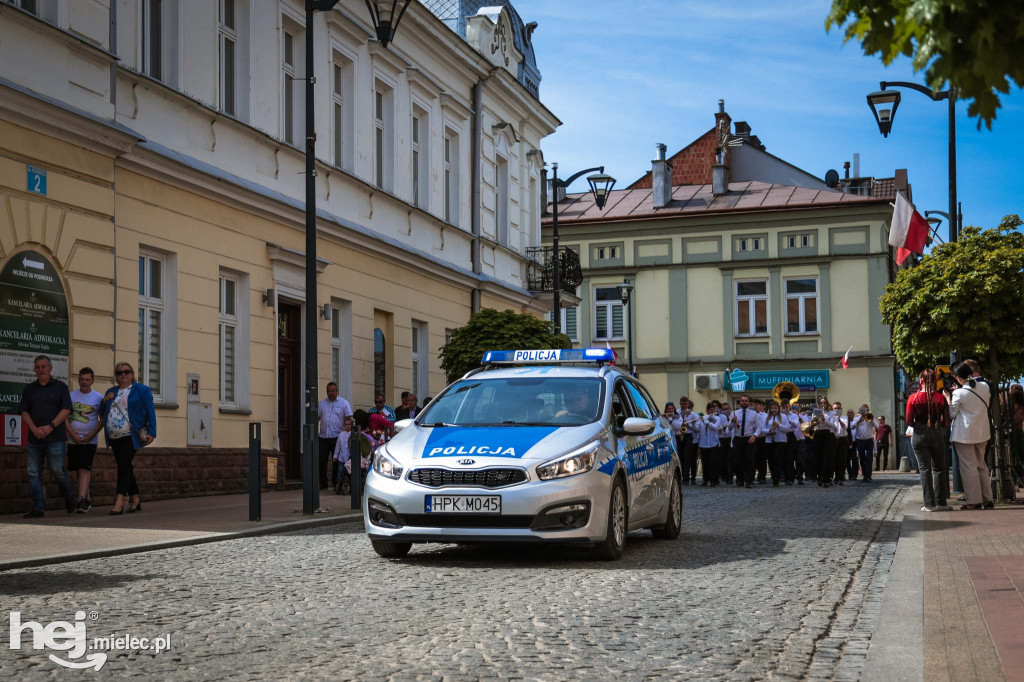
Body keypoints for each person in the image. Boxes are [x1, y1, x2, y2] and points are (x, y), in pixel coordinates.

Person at [19, 355, 76, 518]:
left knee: (57, 470)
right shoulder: (29, 389)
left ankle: (70, 496)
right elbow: (24, 411)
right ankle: (38, 507)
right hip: (34, 438)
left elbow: (66, 409)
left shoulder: (61, 387)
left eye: (43, 366)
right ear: (34, 369)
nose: (40, 369)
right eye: (37, 367)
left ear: (50, 368)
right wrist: (35, 429)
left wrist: (50, 427)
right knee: (33, 473)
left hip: (56, 437)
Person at [100, 361, 156, 514]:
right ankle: (135, 498)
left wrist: (152, 431)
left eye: (126, 371)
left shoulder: (141, 390)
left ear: (132, 374)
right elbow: (102, 413)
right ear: (116, 377)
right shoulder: (111, 391)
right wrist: (105, 400)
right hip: (114, 436)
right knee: (126, 467)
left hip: (131, 436)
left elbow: (151, 410)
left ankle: (120, 500)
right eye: (119, 373)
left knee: (123, 464)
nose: (122, 375)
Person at [947, 362, 994, 510]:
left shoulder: (958, 393)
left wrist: (949, 398)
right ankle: (988, 499)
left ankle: (973, 501)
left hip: (965, 435)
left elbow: (951, 414)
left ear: (957, 377)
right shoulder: (984, 387)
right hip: (982, 432)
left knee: (969, 467)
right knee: (981, 465)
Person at [906, 369, 952, 512]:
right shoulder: (940, 398)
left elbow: (908, 420)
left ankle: (929, 504)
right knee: (939, 468)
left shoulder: (913, 398)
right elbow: (946, 423)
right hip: (937, 433)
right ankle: (941, 503)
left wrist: (918, 426)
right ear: (934, 381)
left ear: (921, 381)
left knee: (925, 470)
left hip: (919, 433)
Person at [67, 367, 105, 512]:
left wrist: (91, 435)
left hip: (90, 440)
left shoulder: (98, 397)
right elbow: (65, 418)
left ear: (92, 381)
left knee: (84, 467)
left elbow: (102, 420)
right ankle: (86, 496)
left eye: (87, 379)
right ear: (78, 380)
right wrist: (72, 435)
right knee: (75, 470)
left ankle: (81, 500)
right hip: (73, 438)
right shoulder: (71, 396)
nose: (84, 382)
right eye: (82, 379)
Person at [318, 382, 353, 490]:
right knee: (321, 460)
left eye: (333, 391)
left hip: (337, 437)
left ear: (337, 391)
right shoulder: (322, 404)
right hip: (323, 437)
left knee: (337, 461)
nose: (331, 393)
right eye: (329, 391)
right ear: (327, 392)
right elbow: (317, 418)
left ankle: (335, 484)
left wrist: (346, 434)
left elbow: (348, 418)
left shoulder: (344, 403)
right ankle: (323, 484)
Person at [332, 415, 377, 494]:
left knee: (349, 474)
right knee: (340, 473)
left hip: (350, 459)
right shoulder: (341, 435)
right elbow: (337, 446)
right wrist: (335, 456)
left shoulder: (354, 434)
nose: (347, 426)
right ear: (343, 426)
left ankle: (349, 488)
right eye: (346, 424)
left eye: (349, 424)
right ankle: (338, 487)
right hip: (341, 458)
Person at [730, 394, 758, 488]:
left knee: (750, 460)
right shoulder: (734, 413)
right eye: (742, 401)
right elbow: (729, 428)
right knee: (736, 460)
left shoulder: (754, 414)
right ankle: (740, 479)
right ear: (739, 402)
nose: (744, 402)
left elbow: (759, 427)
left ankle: (748, 480)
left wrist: (754, 435)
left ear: (749, 403)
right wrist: (732, 422)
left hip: (749, 438)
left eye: (746, 401)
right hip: (738, 438)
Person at [763, 401, 794, 486]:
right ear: (770, 409)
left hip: (780, 441)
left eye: (775, 408)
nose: (774, 410)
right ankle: (774, 476)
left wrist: (779, 425)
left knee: (778, 459)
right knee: (771, 460)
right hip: (769, 441)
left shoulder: (783, 417)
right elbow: (762, 429)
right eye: (772, 408)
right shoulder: (766, 417)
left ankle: (776, 480)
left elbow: (787, 429)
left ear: (778, 409)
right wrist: (769, 430)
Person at [811, 395, 839, 487]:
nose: (823, 404)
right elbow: (813, 425)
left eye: (824, 402)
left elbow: (834, 426)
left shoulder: (832, 413)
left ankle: (827, 479)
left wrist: (824, 419)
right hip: (818, 434)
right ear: (819, 404)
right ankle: (820, 477)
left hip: (828, 435)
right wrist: (815, 420)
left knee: (828, 457)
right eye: (821, 403)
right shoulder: (815, 413)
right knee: (818, 457)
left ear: (827, 404)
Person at [850, 404, 877, 482]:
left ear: (868, 410)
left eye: (865, 409)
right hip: (860, 441)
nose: (864, 410)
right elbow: (852, 427)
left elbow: (877, 426)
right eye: (862, 409)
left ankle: (868, 476)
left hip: (869, 440)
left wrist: (872, 420)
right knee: (862, 459)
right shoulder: (857, 418)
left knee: (869, 458)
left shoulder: (870, 417)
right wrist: (859, 420)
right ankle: (865, 475)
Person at [698, 402, 723, 486]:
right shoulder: (703, 419)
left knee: (713, 462)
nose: (712, 411)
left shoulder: (717, 418)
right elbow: (697, 429)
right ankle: (705, 479)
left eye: (713, 409)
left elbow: (715, 427)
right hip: (703, 443)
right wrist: (697, 421)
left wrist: (706, 421)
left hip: (713, 443)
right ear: (707, 410)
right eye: (710, 410)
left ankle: (714, 480)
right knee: (705, 462)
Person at [677, 396, 699, 485]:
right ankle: (682, 476)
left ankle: (687, 478)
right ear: (680, 403)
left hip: (689, 436)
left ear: (688, 404)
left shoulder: (693, 415)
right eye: (682, 404)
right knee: (681, 457)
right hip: (679, 436)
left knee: (687, 458)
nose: (683, 405)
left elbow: (697, 428)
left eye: (685, 404)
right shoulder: (677, 412)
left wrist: (689, 425)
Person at [718, 403, 733, 484]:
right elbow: (717, 428)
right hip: (722, 439)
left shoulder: (732, 417)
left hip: (730, 439)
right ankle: (724, 475)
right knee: (722, 459)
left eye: (727, 409)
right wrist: (722, 428)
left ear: (729, 409)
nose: (725, 411)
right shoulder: (719, 418)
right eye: (723, 409)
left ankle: (730, 477)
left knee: (730, 459)